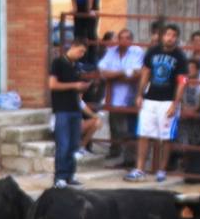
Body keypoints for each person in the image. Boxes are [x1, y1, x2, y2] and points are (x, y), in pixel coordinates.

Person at [130, 23, 188, 183]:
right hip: (150, 98)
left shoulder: (180, 57)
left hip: (168, 100)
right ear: (162, 36)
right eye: (168, 35)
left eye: (173, 35)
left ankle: (162, 170)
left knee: (166, 137)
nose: (170, 38)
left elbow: (182, 81)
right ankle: (139, 168)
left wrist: (175, 104)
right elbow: (145, 73)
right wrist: (140, 94)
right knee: (143, 134)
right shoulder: (152, 52)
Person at [96, 28, 144, 168]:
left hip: (131, 97)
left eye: (126, 38)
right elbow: (102, 70)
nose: (123, 41)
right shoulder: (111, 51)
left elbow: (137, 73)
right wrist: (124, 72)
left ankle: (130, 159)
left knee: (130, 130)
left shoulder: (137, 51)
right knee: (116, 129)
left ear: (131, 40)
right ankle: (116, 154)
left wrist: (115, 74)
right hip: (114, 98)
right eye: (120, 38)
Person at [49, 37, 90, 189]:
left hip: (75, 109)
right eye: (80, 51)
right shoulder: (58, 62)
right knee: (63, 144)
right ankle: (59, 177)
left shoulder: (76, 67)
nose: (81, 54)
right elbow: (53, 84)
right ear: (73, 46)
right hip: (62, 110)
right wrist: (75, 85)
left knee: (73, 145)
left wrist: (82, 88)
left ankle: (70, 175)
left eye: (83, 52)